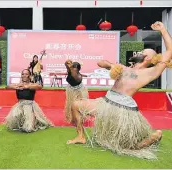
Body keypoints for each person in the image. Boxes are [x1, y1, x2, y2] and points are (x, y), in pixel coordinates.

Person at [66, 21, 172, 159]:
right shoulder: (124, 68)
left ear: (149, 58)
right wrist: (110, 65)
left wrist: (163, 30)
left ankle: (150, 139)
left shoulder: (149, 73)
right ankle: (80, 136)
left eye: (143, 52)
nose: (139, 52)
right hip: (106, 102)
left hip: (122, 110)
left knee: (124, 146)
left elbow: (169, 52)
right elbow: (100, 63)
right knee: (76, 105)